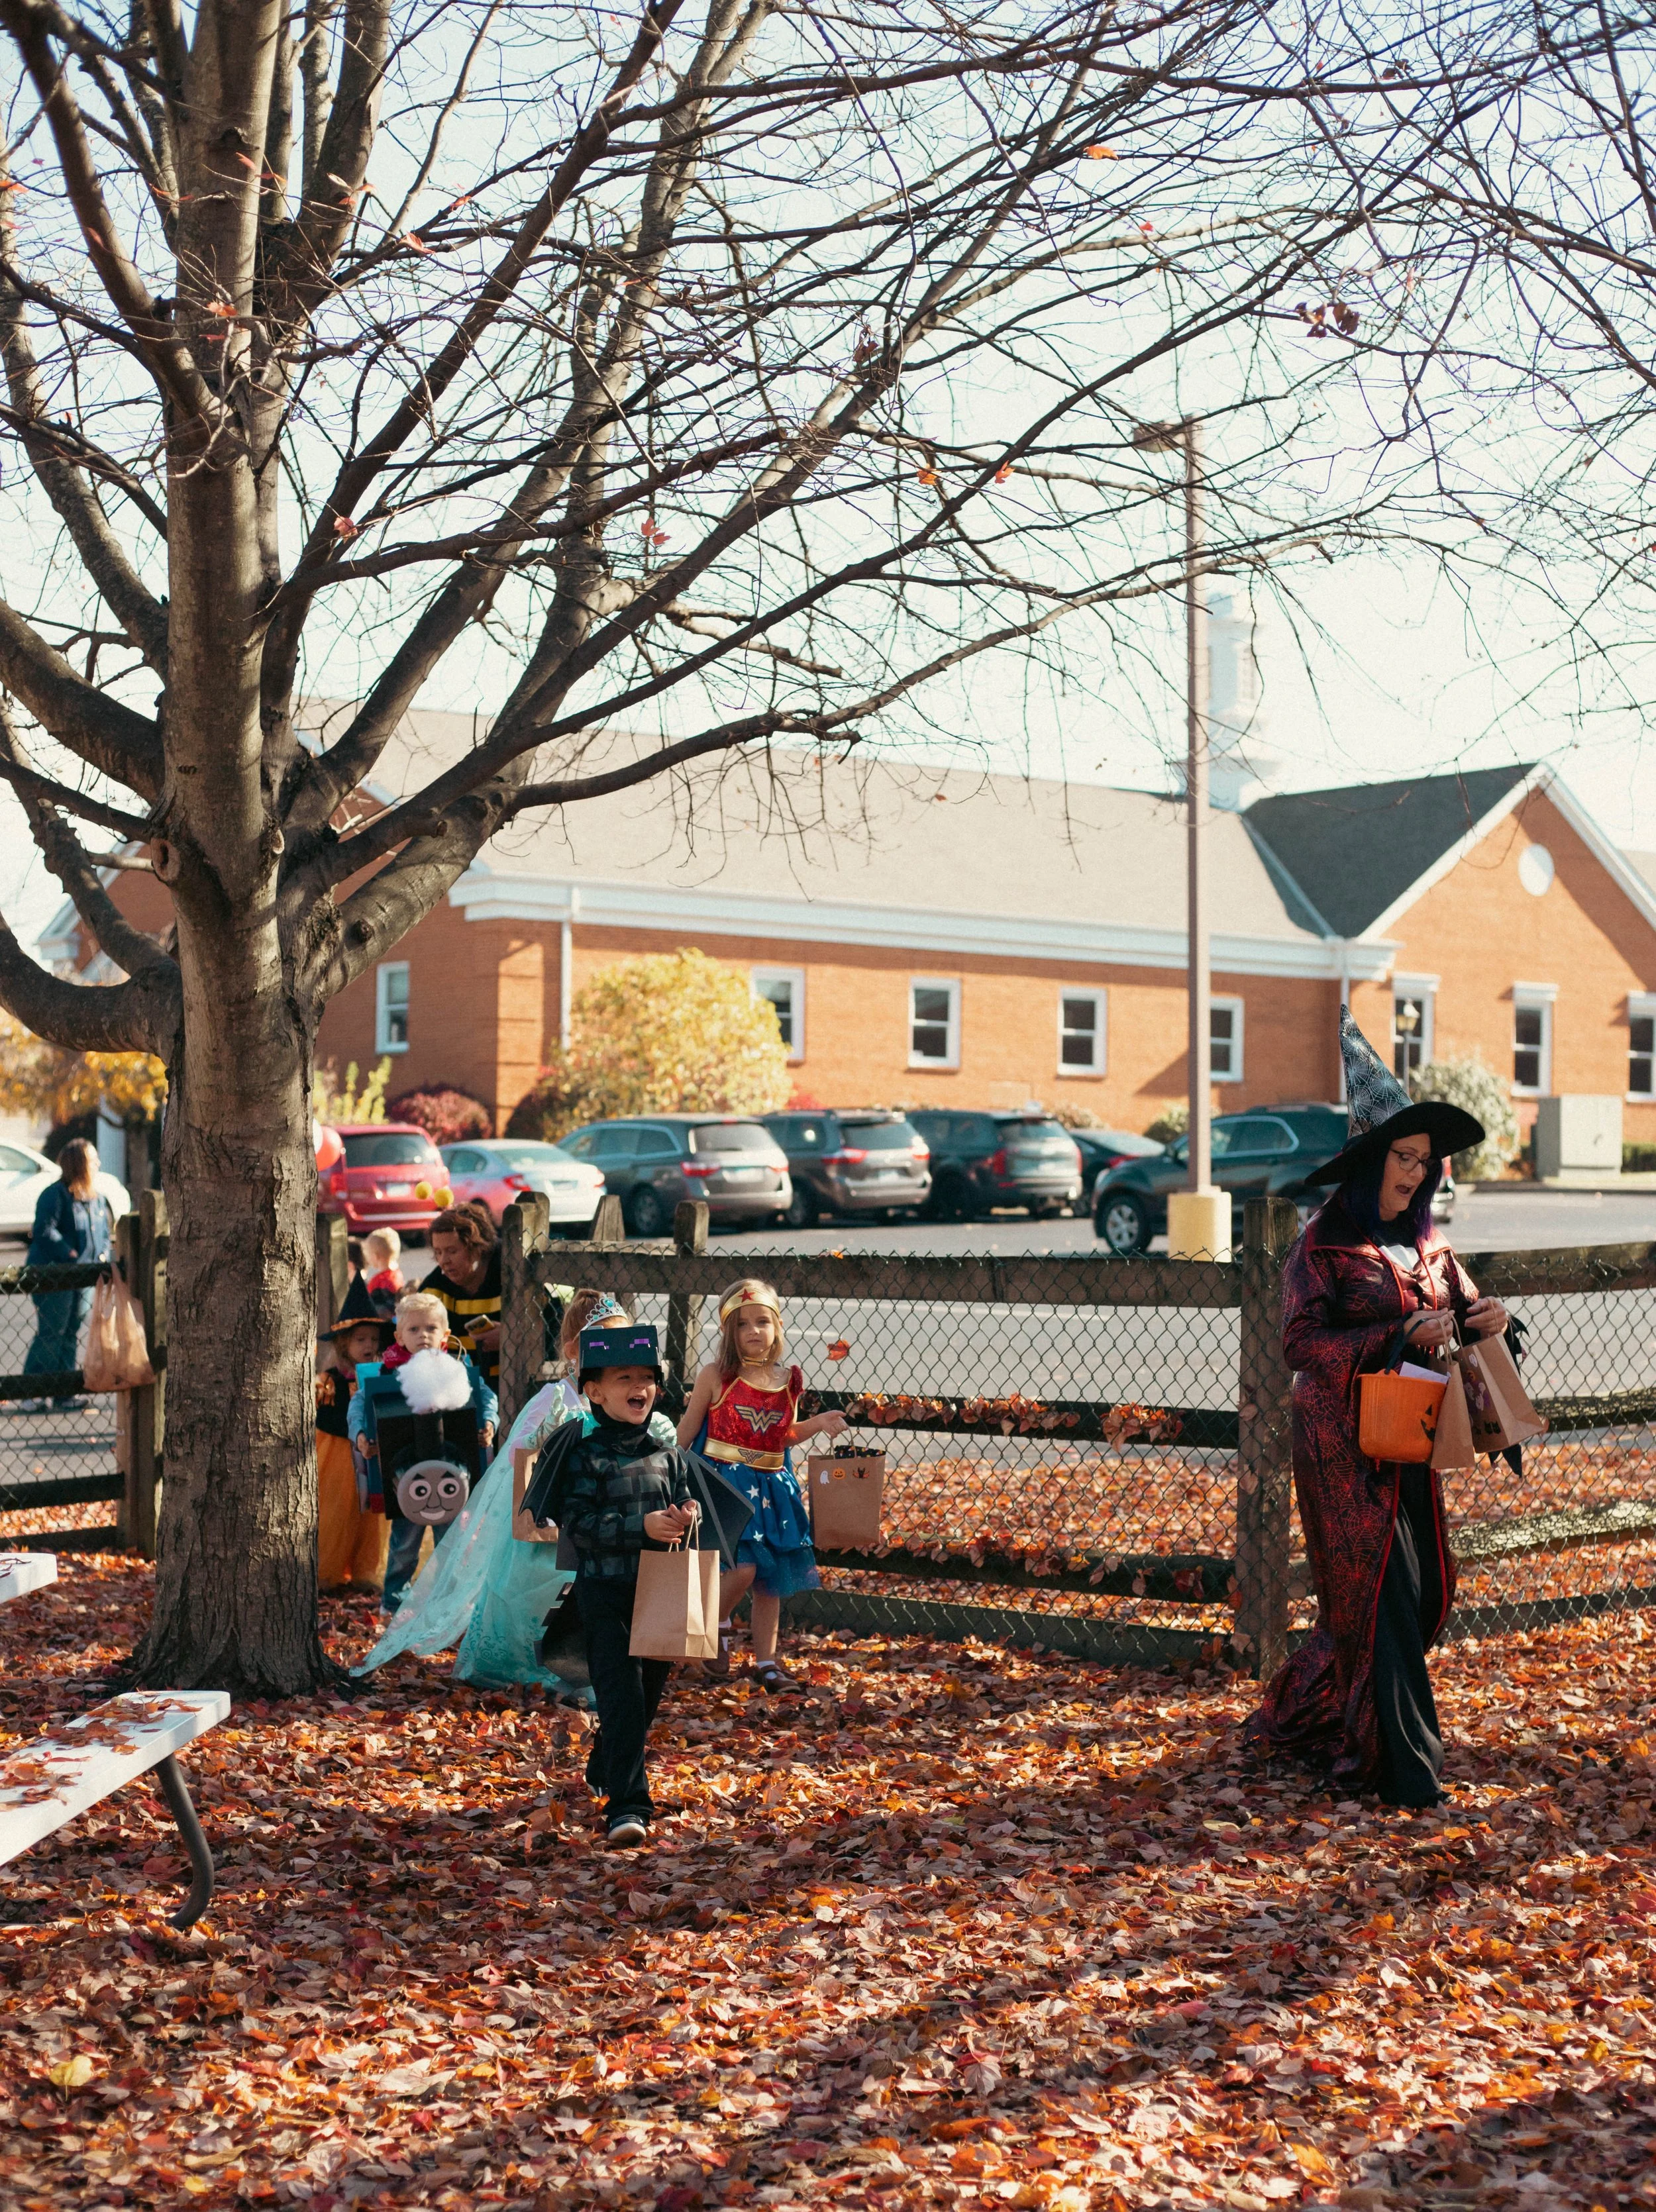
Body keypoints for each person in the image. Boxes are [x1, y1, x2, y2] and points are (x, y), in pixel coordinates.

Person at [1243, 1008, 1509, 1808]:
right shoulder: (1321, 1245)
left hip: (1413, 1438)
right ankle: (1398, 1772)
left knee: (1420, 1595)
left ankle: (1297, 1715)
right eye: (1403, 1157)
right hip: (1340, 1447)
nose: (1415, 1174)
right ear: (1369, 1162)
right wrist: (1395, 1333)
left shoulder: (1430, 1245)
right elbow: (1298, 1342)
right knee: (1379, 1597)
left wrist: (1488, 1319)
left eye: (1425, 1161)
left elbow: (1458, 1311)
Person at [356, 1289, 676, 1690]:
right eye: (603, 1346)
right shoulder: (558, 1398)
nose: (617, 1360)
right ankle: (534, 1666)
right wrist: (555, 1439)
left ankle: (602, 1668)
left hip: (612, 1520)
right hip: (557, 1523)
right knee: (538, 1596)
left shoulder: (633, 1403)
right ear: (576, 1350)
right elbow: (518, 1457)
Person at [525, 1320, 711, 1848]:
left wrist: (686, 1514)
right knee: (622, 1698)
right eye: (624, 1377)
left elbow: (679, 1500)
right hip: (604, 1596)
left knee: (646, 1699)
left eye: (648, 1377)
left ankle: (605, 1763)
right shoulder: (585, 1455)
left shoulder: (666, 1453)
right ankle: (628, 1807)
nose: (640, 1386)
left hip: (658, 1593)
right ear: (594, 1391)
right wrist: (639, 1528)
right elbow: (578, 1527)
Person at [678, 1278, 847, 1690]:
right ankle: (711, 1626)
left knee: (770, 1581)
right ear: (728, 1331)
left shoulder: (788, 1379)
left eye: (762, 1322)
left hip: (772, 1487)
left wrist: (818, 1423)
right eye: (743, 1324)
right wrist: (667, 1470)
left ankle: (768, 1662)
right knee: (745, 1568)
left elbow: (782, 1435)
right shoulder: (716, 1376)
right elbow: (687, 1430)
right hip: (725, 1488)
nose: (754, 1331)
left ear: (777, 1327)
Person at [350, 1289, 498, 1615]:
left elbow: (485, 1396)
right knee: (404, 1544)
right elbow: (359, 1405)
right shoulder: (386, 1372)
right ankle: (394, 1603)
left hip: (451, 1473)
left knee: (451, 1543)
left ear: (445, 1334)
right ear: (399, 1335)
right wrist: (361, 1435)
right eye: (414, 1330)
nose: (423, 1336)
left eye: (431, 1328)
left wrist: (489, 1422)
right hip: (402, 1477)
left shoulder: (459, 1365)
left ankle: (451, 1603)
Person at [17, 1139, 112, 1413]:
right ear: (79, 1164)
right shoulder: (54, 1195)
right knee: (52, 1331)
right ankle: (31, 1391)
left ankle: (63, 1392)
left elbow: (104, 1236)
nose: (98, 1164)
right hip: (54, 1277)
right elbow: (44, 1231)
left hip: (84, 1279)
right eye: (92, 1159)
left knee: (71, 1331)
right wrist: (70, 1254)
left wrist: (103, 1256)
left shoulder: (97, 1198)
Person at [315, 1274, 393, 1593]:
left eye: (374, 1340)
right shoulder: (329, 1380)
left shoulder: (382, 1375)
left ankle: (367, 1573)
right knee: (337, 1509)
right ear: (344, 1343)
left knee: (375, 1514)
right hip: (337, 1453)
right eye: (361, 1339)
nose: (369, 1346)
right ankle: (327, 1572)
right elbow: (323, 1416)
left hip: (373, 1452)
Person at [420, 1203, 502, 1391]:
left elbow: (552, 1332)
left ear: (477, 1248)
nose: (443, 1261)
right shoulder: (432, 1291)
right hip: (454, 1390)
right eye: (438, 1252)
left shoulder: (513, 1278)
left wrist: (511, 1338)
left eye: (452, 1251)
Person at [362, 1229, 404, 1313]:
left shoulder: (377, 1282)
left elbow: (369, 1306)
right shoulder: (398, 1274)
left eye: (368, 1254)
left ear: (375, 1256)